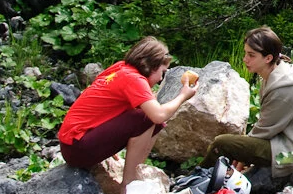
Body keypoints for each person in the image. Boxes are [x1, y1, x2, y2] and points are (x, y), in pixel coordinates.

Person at [59, 36, 196, 186]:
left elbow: (103, 103)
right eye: (162, 72)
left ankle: (136, 172)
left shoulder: (121, 68)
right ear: (148, 65)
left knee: (152, 122)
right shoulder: (133, 79)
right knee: (147, 118)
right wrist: (183, 96)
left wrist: (107, 140)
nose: (160, 79)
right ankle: (129, 184)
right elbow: (158, 115)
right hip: (78, 148)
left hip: (72, 146)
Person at [195, 27, 293, 178]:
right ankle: (207, 178)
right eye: (245, 53)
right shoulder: (276, 75)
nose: (245, 59)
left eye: (251, 55)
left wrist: (241, 155)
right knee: (232, 144)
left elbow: (262, 132)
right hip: (290, 143)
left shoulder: (284, 90)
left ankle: (196, 180)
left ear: (268, 58)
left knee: (222, 143)